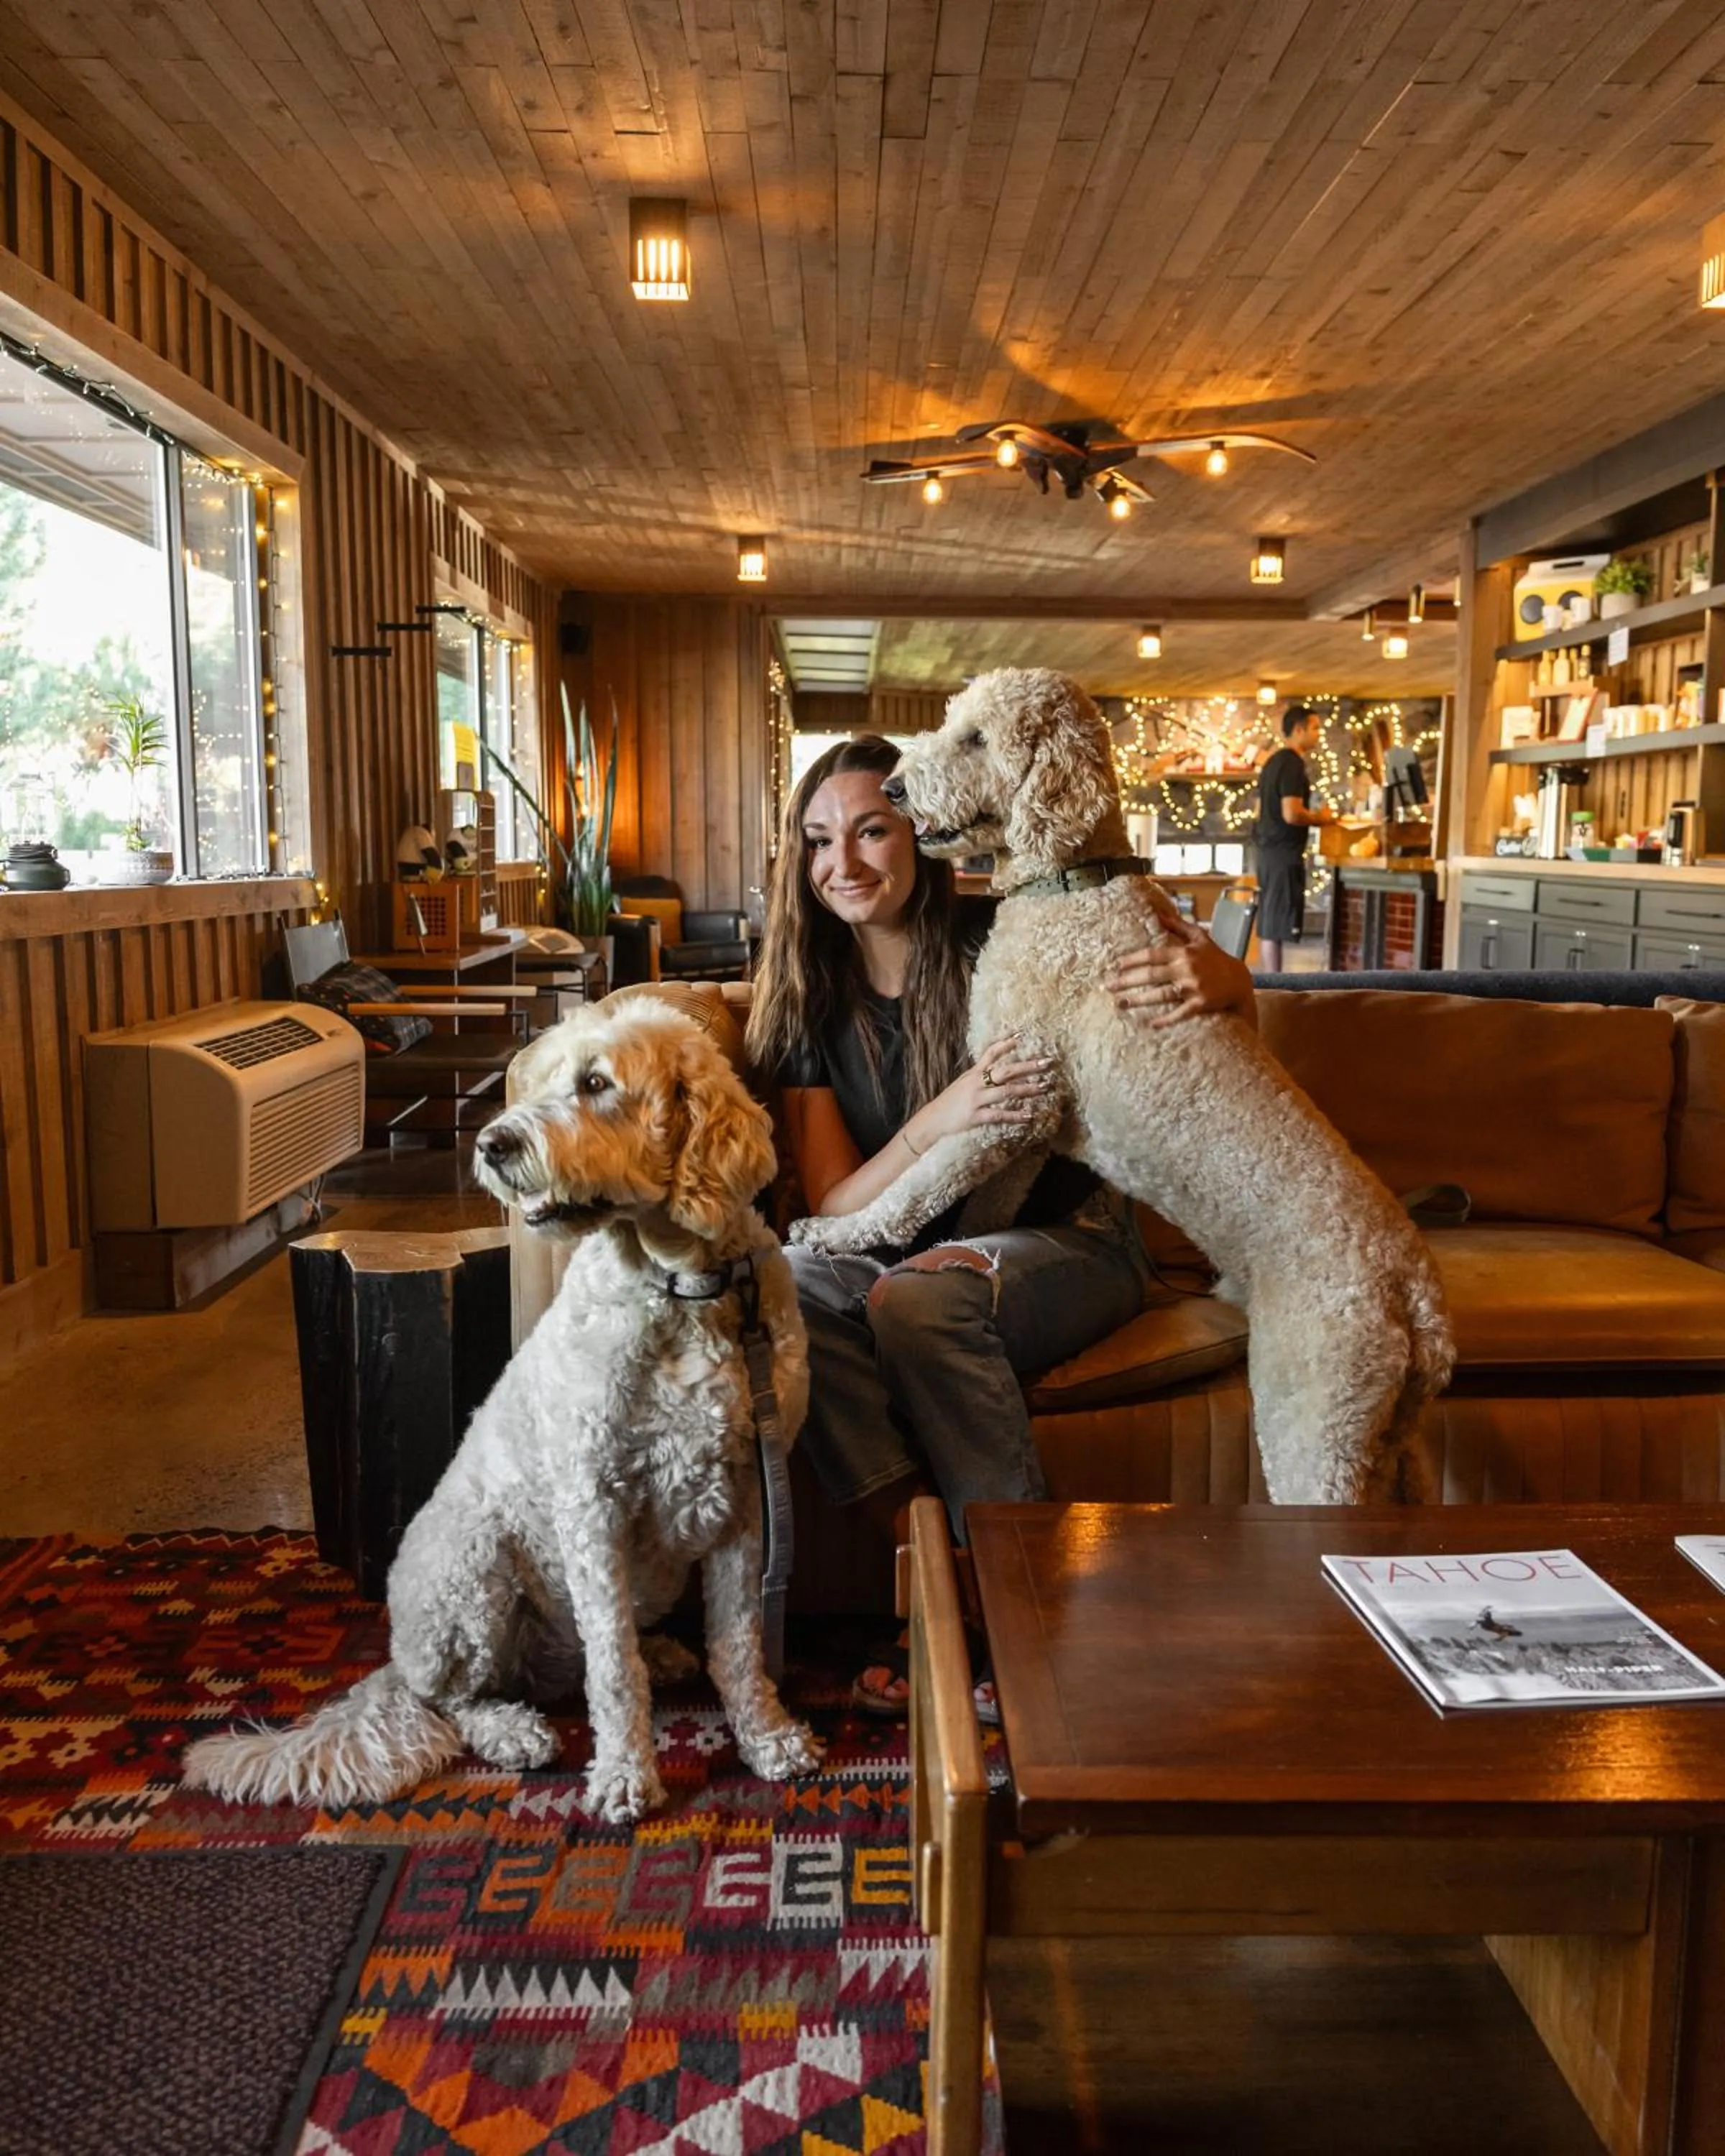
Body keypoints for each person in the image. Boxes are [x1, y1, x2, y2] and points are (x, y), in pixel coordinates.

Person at [745, 734, 1256, 1716]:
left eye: (871, 831)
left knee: (918, 1303)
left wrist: (1229, 985)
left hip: (1068, 1243)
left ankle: (1028, 1601)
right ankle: (947, 1579)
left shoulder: (1012, 934)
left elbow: (1202, 986)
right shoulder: (812, 996)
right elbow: (836, 1205)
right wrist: (943, 1116)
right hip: (895, 1250)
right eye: (817, 842)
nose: (841, 865)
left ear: (923, 833)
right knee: (792, 1290)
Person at [1254, 704, 1338, 972]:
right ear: (1299, 729)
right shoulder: (1292, 763)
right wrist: (1321, 818)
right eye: (1315, 728)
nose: (1319, 733)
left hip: (1267, 851)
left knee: (1271, 923)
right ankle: (1277, 985)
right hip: (1283, 853)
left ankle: (1273, 982)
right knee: (1278, 923)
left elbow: (1259, 810)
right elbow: (1291, 814)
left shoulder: (1272, 762)